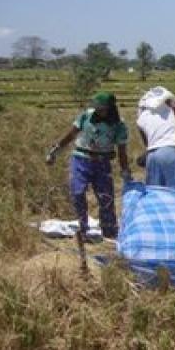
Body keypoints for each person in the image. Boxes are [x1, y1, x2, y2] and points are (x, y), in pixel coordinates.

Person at [45, 92, 131, 240]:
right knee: (77, 192)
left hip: (102, 163)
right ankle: (82, 229)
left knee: (106, 198)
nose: (99, 111)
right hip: (81, 159)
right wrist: (55, 151)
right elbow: (70, 135)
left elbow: (121, 151)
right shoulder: (86, 116)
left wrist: (125, 171)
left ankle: (109, 231)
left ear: (110, 109)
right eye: (97, 108)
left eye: (102, 109)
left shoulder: (119, 125)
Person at [136, 86, 175, 188]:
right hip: (169, 154)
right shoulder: (169, 108)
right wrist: (172, 103)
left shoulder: (141, 117)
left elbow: (147, 144)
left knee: (157, 193)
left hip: (151, 157)